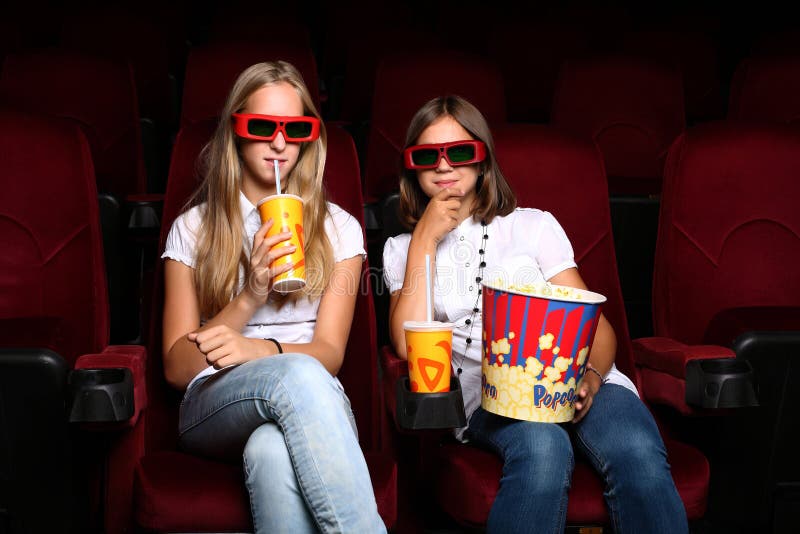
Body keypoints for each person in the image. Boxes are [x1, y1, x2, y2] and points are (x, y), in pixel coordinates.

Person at [383, 95, 688, 533]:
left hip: (580, 382)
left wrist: (591, 379)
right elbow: (405, 343)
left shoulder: (533, 226)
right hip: (493, 402)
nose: (444, 166)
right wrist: (425, 240)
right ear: (412, 167)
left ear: (482, 160)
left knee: (636, 449)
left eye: (460, 152)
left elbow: (597, 330)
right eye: (428, 155)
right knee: (544, 449)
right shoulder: (402, 249)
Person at [161, 61, 385, 534]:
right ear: (236, 132)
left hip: (315, 398)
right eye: (263, 127)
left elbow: (330, 353)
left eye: (295, 129)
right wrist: (251, 295)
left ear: (309, 139)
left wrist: (259, 349)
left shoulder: (339, 229)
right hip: (213, 404)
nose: (280, 144)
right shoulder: (193, 228)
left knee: (271, 448)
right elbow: (177, 369)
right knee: (297, 375)